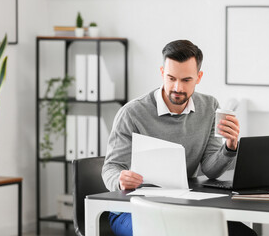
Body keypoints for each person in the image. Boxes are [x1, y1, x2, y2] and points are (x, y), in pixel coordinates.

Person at [102, 39, 257, 236]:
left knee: (244, 234)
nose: (177, 87)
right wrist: (120, 179)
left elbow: (210, 170)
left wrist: (230, 146)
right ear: (161, 73)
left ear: (198, 77)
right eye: (171, 78)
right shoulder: (132, 113)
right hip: (132, 210)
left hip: (184, 206)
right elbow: (110, 168)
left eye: (186, 80)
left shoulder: (208, 107)